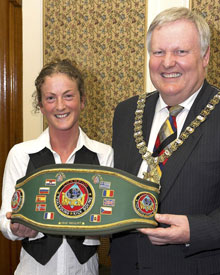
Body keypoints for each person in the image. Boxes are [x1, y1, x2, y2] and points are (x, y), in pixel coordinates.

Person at [110, 7, 220, 275]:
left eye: (180, 51)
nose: (167, 62)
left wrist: (196, 230)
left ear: (205, 56)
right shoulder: (126, 112)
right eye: (158, 52)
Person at [0, 59, 113, 275]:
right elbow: (5, 220)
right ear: (41, 106)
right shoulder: (21, 154)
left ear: (82, 101)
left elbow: (109, 217)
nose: (60, 106)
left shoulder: (104, 155)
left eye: (68, 96)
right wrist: (15, 228)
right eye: (51, 98)